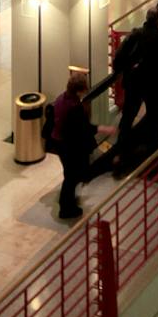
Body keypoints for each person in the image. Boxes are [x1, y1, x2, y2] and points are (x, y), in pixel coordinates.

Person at [108, 10, 158, 173]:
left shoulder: (135, 35)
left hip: (134, 83)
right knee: (154, 116)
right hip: (153, 85)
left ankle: (121, 152)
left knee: (127, 118)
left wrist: (121, 70)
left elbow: (119, 57)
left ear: (146, 19)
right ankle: (153, 152)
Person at [49, 68, 98, 221]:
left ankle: (67, 200)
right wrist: (100, 129)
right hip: (67, 145)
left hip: (58, 142)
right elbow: (81, 129)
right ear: (79, 90)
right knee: (71, 176)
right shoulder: (75, 108)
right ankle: (66, 208)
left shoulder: (60, 99)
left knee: (69, 173)